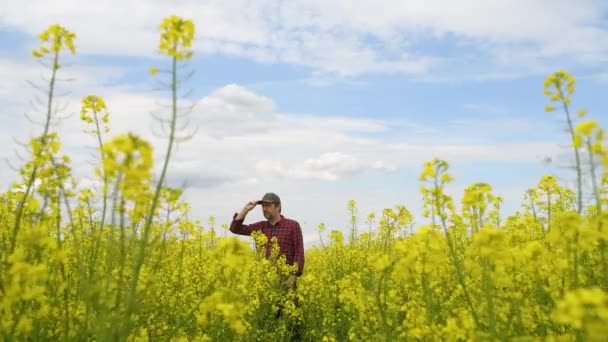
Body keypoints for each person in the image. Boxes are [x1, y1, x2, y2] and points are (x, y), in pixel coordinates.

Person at [230, 192, 305, 289]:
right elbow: (235, 228)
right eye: (263, 206)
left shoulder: (292, 225)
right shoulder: (260, 227)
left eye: (268, 206)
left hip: (285, 282)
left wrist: (293, 276)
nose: (265, 209)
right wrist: (246, 209)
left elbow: (299, 252)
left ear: (278, 206)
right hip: (264, 283)